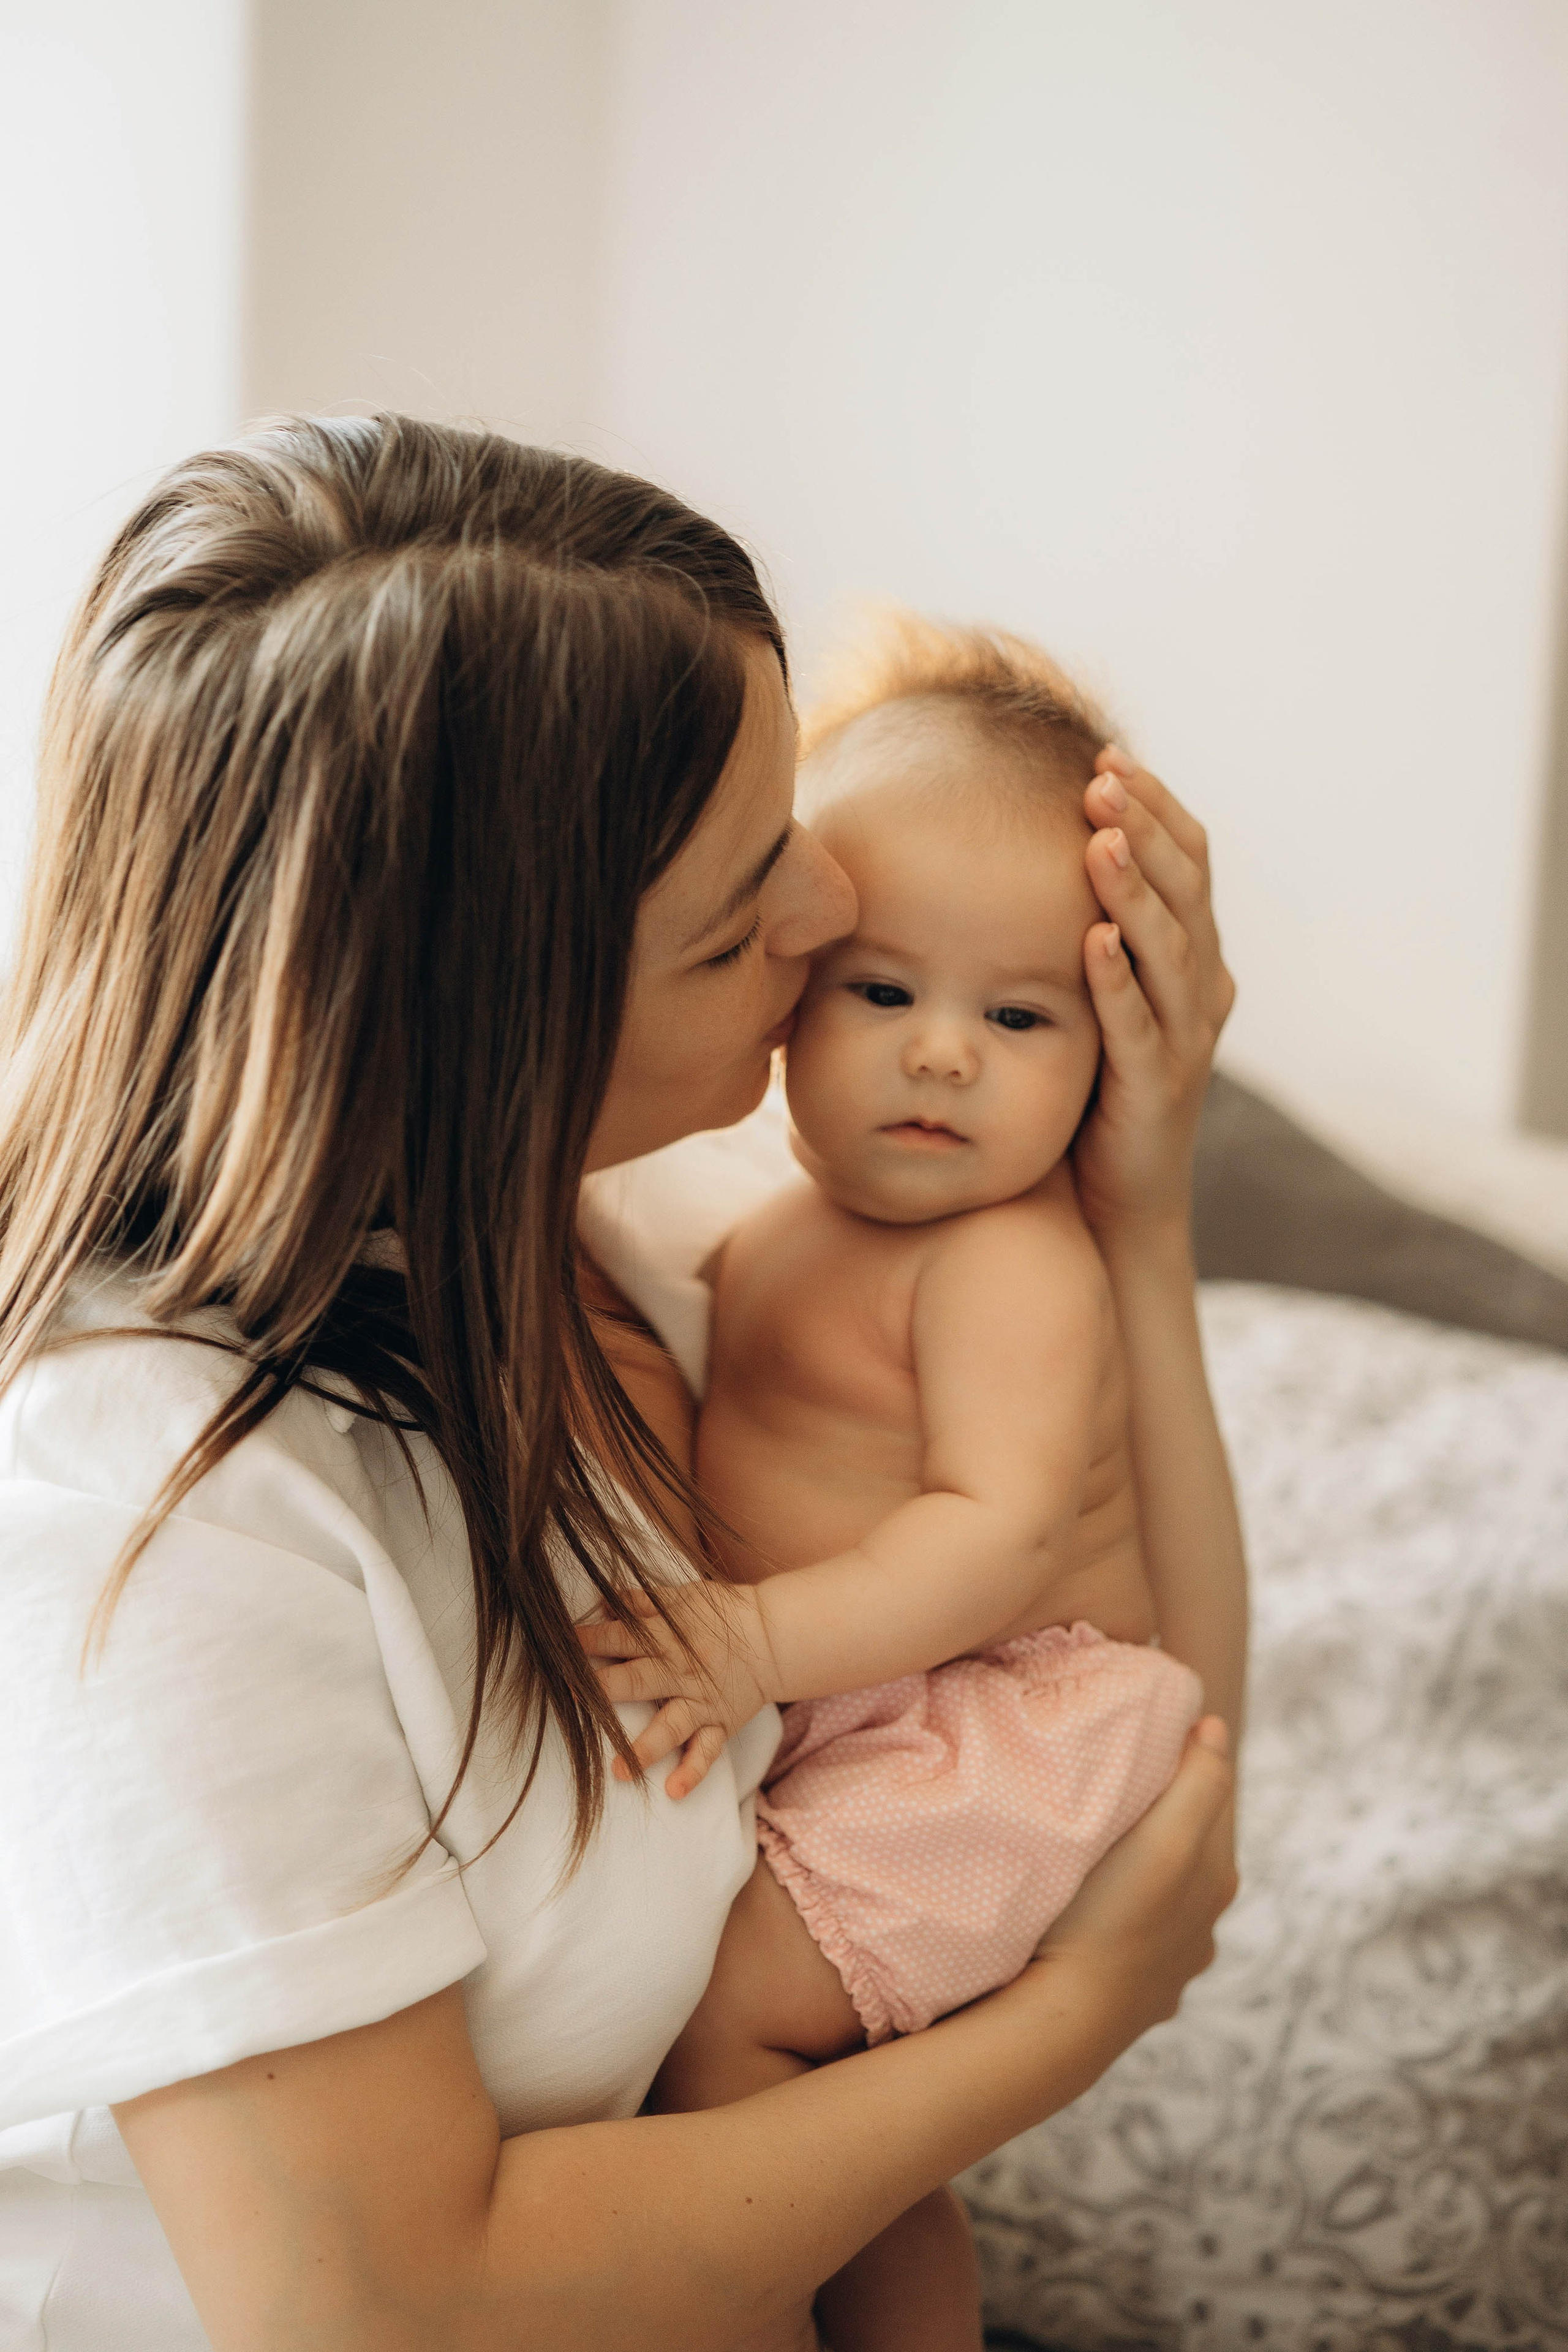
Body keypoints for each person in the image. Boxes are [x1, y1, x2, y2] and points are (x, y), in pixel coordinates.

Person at [0, 415, 1238, 2352]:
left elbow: (1132, 1705)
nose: (838, 911)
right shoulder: (158, 1520)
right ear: (506, 1004)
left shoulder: (624, 1257)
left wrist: (1136, 1209)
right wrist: (1085, 2017)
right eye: (751, 899)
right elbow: (390, 2307)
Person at [582, 616, 1248, 2351]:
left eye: (1020, 1014)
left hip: (1004, 1714)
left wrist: (748, 1641)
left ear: (1110, 1050)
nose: (944, 1052)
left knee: (741, 2034)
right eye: (885, 990)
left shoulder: (1011, 1266)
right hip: (868, 1703)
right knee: (835, 2117)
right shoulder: (760, 1232)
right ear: (788, 982)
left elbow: (998, 1533)